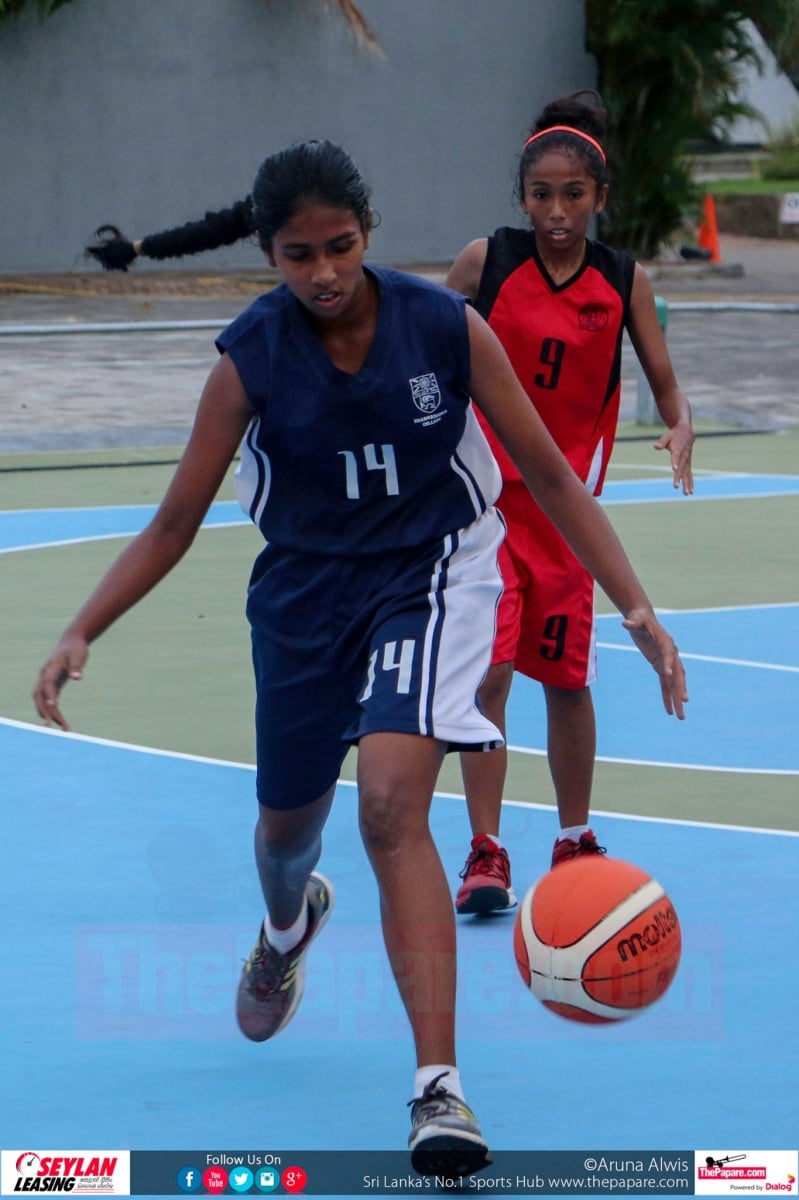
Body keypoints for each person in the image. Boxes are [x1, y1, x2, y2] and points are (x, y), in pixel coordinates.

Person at [37, 139, 687, 1180]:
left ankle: (439, 1089)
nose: (325, 271)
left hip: (430, 576)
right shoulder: (250, 358)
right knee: (284, 833)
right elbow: (172, 524)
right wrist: (84, 627)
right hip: (304, 597)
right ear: (271, 255)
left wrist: (638, 608)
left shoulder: (441, 325)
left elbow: (553, 478)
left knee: (389, 804)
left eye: (340, 246)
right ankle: (286, 925)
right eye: (300, 255)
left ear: (368, 232)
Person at [446, 91, 696, 918]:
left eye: (573, 195)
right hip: (485, 509)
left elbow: (663, 380)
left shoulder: (621, 280)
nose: (557, 212)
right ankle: (485, 849)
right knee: (491, 671)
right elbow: (421, 346)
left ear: (599, 197)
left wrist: (679, 423)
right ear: (521, 197)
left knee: (565, 679)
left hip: (566, 518)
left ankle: (573, 835)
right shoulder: (487, 263)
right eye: (542, 195)